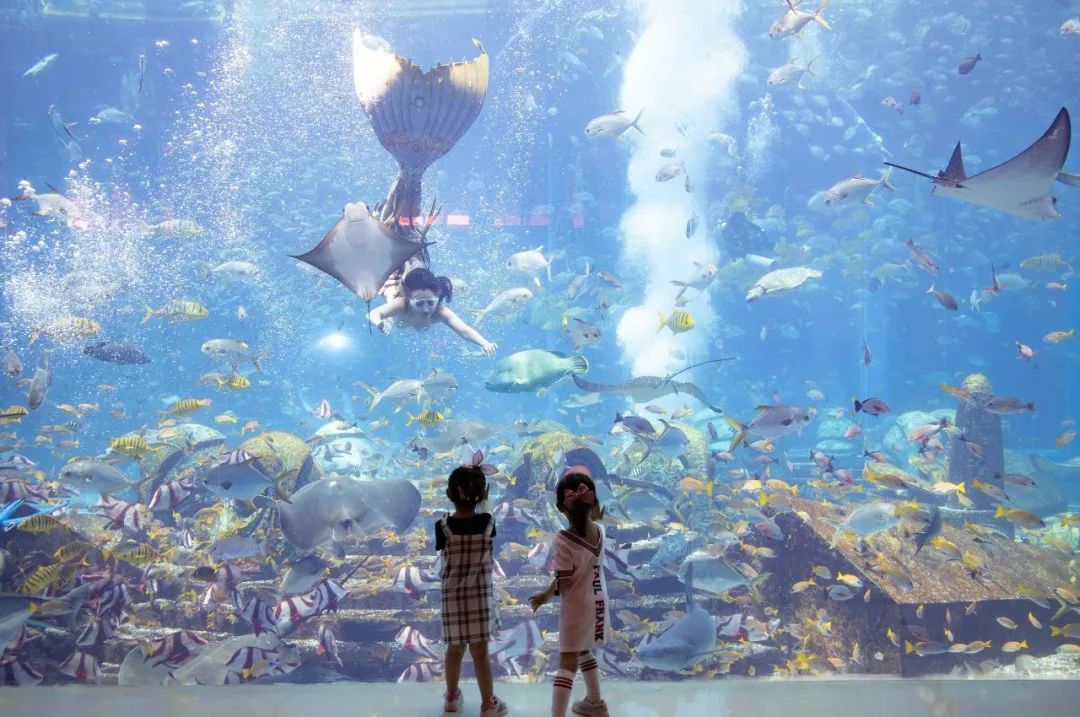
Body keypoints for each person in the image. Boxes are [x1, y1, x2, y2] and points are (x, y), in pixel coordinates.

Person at [528, 467, 610, 717]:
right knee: (584, 649)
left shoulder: (563, 540)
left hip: (577, 608)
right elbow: (594, 518)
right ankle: (595, 703)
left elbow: (563, 582)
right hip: (598, 602)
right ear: (593, 501)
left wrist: (544, 595)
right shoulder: (600, 530)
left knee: (567, 662)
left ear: (560, 508)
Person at [436, 464, 508, 717]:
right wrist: (484, 501)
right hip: (479, 599)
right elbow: (488, 515)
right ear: (482, 493)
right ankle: (488, 703)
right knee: (480, 654)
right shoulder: (487, 523)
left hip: (453, 600)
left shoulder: (442, 526)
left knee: (454, 650)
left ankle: (451, 698)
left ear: (449, 494)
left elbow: (442, 550)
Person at [368, 267, 498, 357]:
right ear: (409, 299)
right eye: (419, 303)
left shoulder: (440, 311)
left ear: (437, 297)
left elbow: (464, 330)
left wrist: (484, 343)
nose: (426, 309)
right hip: (394, 290)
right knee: (391, 294)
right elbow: (373, 314)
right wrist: (379, 323)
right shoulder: (401, 304)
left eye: (430, 302)